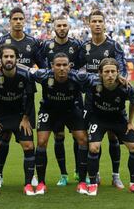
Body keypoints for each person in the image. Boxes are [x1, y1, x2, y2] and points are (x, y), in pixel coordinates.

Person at [72, 58, 134, 196]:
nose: (110, 74)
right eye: (106, 72)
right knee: (94, 147)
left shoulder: (127, 87)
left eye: (113, 71)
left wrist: (130, 122)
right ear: (100, 73)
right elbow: (76, 78)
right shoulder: (92, 82)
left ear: (118, 72)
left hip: (118, 119)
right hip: (98, 118)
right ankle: (93, 184)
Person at [0, 7, 47, 187]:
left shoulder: (33, 42)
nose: (18, 21)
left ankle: (30, 175)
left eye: (20, 19)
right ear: (10, 21)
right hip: (3, 97)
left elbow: (43, 67)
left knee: (27, 140)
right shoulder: (0, 42)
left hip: (26, 98)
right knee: (4, 138)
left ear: (24, 21)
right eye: (14, 18)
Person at [0, 44, 36, 197]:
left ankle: (28, 184)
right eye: (6, 56)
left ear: (17, 59)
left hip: (18, 116)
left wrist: (25, 118)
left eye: (12, 57)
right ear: (0, 59)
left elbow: (30, 98)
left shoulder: (26, 75)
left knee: (29, 145)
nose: (9, 59)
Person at [79, 9, 128, 188]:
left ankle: (116, 175)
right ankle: (96, 173)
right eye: (94, 21)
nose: (97, 24)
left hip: (113, 100)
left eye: (100, 21)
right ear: (89, 24)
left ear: (104, 23)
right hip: (92, 101)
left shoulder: (113, 46)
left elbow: (122, 67)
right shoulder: (84, 47)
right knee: (94, 139)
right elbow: (75, 69)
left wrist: (122, 77)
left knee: (114, 137)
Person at [29, 53, 89, 195]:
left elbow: (96, 79)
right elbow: (24, 70)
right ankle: (42, 183)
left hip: (70, 110)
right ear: (52, 66)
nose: (61, 68)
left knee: (83, 140)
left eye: (64, 65)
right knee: (42, 142)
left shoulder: (77, 77)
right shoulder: (43, 75)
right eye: (58, 65)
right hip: (49, 110)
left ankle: (81, 182)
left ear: (70, 66)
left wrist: (120, 77)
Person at [37, 15, 83, 185]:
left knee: (79, 136)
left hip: (73, 97)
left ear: (69, 27)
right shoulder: (46, 46)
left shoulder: (77, 45)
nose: (62, 28)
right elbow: (40, 65)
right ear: (54, 27)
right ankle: (63, 174)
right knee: (59, 136)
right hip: (52, 97)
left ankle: (79, 171)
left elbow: (82, 66)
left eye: (65, 25)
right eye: (59, 25)